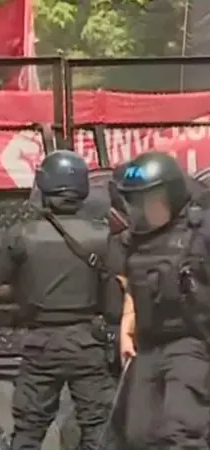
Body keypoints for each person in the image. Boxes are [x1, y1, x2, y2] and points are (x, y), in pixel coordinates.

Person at [0, 150, 115, 450]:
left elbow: (3, 285)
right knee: (98, 426)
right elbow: (112, 294)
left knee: (29, 429)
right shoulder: (103, 236)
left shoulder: (21, 235)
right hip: (87, 343)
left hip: (40, 344)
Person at [114, 151, 210, 449]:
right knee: (139, 433)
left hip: (191, 342)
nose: (144, 209)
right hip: (148, 344)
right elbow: (132, 284)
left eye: (151, 200)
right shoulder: (136, 240)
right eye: (137, 202)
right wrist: (127, 329)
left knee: (183, 429)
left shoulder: (200, 232)